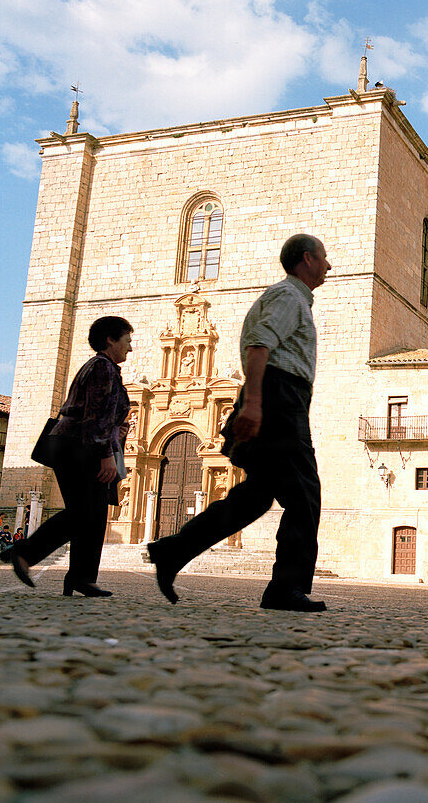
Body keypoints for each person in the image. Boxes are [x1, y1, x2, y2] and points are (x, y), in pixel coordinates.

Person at [147, 235, 332, 612]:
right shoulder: (288, 297)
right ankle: (285, 589)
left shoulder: (292, 298)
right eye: (324, 258)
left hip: (279, 397)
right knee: (305, 497)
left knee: (255, 497)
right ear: (307, 259)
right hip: (279, 399)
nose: (329, 266)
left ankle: (172, 550)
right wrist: (255, 403)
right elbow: (259, 346)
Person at [5, 316, 133, 596]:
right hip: (82, 446)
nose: (130, 348)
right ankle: (26, 554)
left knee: (93, 513)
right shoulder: (103, 368)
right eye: (127, 341)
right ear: (111, 339)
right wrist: (106, 455)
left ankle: (82, 577)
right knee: (85, 512)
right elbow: (96, 415)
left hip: (78, 444)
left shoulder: (103, 367)